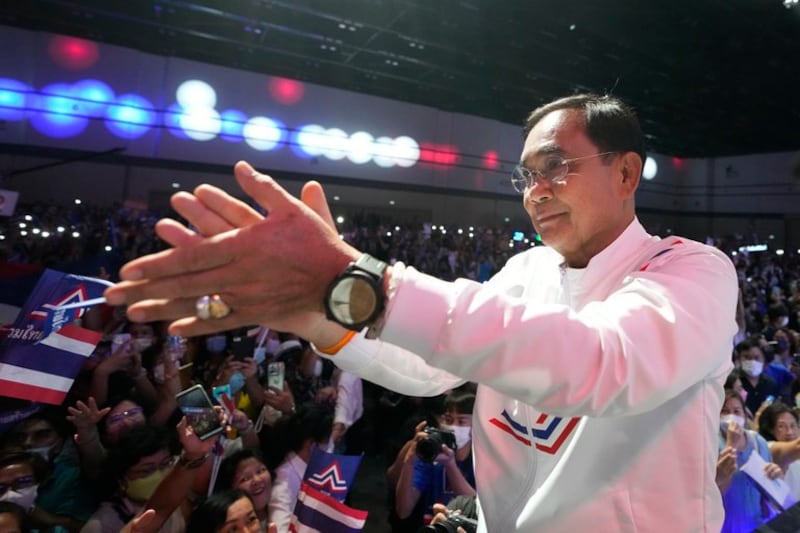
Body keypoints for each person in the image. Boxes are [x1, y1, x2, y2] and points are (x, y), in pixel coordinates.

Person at [105, 94, 740, 531]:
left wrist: (360, 283)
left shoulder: (691, 272)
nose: (537, 193)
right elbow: (428, 365)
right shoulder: (526, 272)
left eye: (558, 168)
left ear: (627, 172)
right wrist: (314, 315)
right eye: (526, 177)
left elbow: (604, 365)